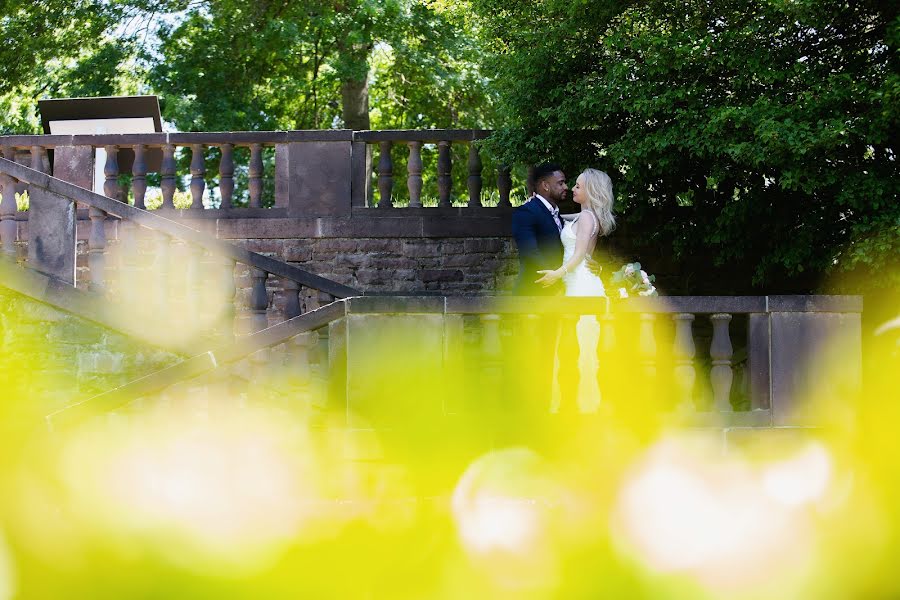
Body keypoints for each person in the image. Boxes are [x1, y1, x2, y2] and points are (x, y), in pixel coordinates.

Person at [535, 168, 616, 412]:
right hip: (577, 281)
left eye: (578, 186)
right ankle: (575, 400)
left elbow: (580, 254)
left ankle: (581, 402)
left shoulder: (588, 218)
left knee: (580, 343)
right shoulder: (584, 217)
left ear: (589, 191)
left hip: (579, 282)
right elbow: (559, 218)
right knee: (574, 343)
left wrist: (556, 274)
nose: (573, 189)